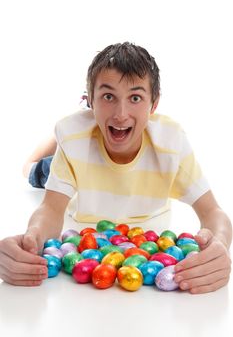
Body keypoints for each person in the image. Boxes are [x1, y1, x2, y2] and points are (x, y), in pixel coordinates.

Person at [0, 42, 231, 293]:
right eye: (108, 96)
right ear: (91, 101)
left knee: (82, 130)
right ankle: (43, 152)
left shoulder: (171, 144)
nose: (121, 114)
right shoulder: (75, 140)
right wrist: (32, 237)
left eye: (135, 98)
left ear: (153, 105)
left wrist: (219, 245)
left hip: (94, 143)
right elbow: (50, 209)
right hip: (75, 160)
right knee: (36, 171)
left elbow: (214, 212)